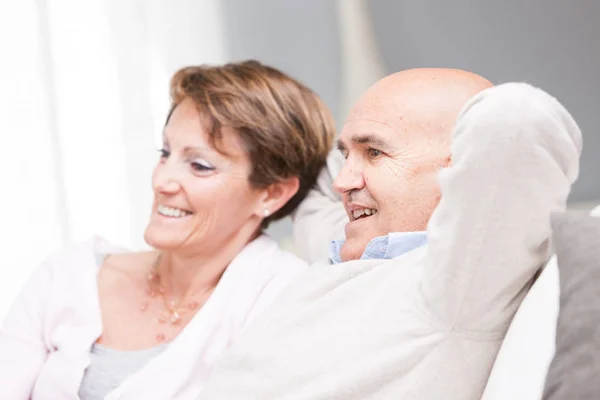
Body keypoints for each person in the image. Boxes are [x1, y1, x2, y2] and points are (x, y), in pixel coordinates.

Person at [199, 69, 583, 399]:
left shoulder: (455, 281)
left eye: (374, 153)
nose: (343, 181)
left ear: (460, 169)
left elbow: (517, 119)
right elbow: (315, 182)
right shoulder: (348, 244)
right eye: (347, 154)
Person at [0, 60, 336, 399]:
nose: (160, 181)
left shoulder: (284, 300)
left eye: (199, 165)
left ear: (273, 193)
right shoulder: (68, 276)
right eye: (165, 152)